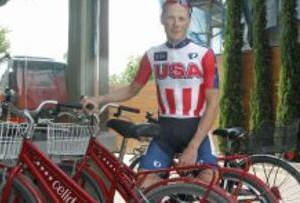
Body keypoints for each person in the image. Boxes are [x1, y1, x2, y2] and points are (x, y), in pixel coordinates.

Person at [82, 0, 219, 188]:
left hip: (197, 130)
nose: (176, 23)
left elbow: (213, 104)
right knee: (144, 186)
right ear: (162, 19)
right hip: (165, 131)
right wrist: (99, 99)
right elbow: (131, 89)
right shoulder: (152, 55)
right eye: (171, 17)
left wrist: (193, 146)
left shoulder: (205, 54)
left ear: (188, 21)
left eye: (181, 18)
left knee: (208, 183)